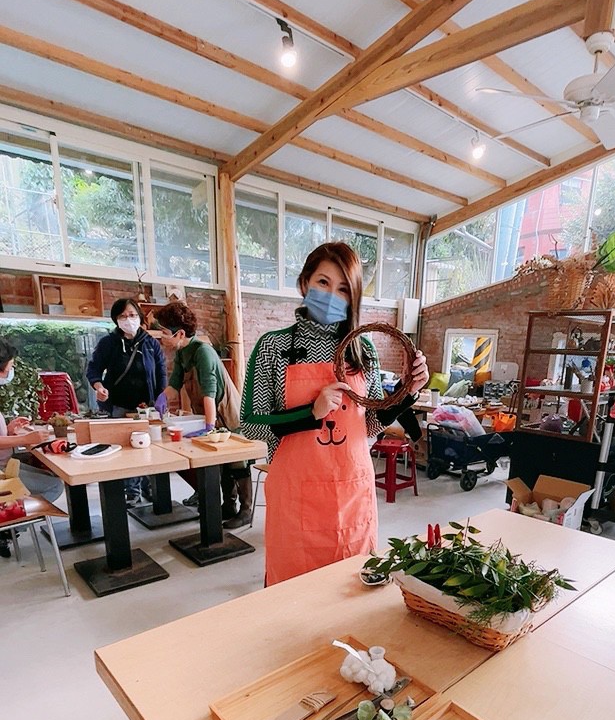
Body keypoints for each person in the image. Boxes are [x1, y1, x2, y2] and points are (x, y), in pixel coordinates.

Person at [239, 241, 428, 586]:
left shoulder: (363, 350)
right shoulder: (274, 347)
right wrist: (310, 413)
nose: (332, 295)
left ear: (353, 297)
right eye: (323, 283)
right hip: (295, 499)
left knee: (349, 592)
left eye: (343, 288)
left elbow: (370, 422)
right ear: (304, 283)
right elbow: (251, 425)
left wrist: (407, 391)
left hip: (351, 497)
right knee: (293, 598)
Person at [154, 302, 253, 524]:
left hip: (226, 416)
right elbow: (174, 385)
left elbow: (209, 394)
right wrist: (161, 399)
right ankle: (228, 505)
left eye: (164, 332)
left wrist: (208, 428)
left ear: (179, 333)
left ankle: (245, 511)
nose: (161, 336)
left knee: (236, 464)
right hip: (209, 416)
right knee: (221, 464)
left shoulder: (204, 353)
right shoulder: (182, 354)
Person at [87, 298, 166, 507]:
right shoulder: (108, 343)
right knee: (125, 449)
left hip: (146, 407)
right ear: (116, 320)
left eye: (132, 315)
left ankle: (149, 488)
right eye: (122, 316)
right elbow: (93, 370)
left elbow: (161, 372)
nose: (128, 319)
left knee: (148, 448)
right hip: (119, 406)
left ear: (139, 317)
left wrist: (161, 397)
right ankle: (131, 492)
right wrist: (99, 387)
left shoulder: (150, 343)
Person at [0, 340, 64, 558]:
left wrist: (8, 430)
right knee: (54, 485)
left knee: (51, 475)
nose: (11, 371)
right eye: (9, 367)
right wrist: (27, 437)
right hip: (2, 474)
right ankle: (10, 529)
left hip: (6, 466)